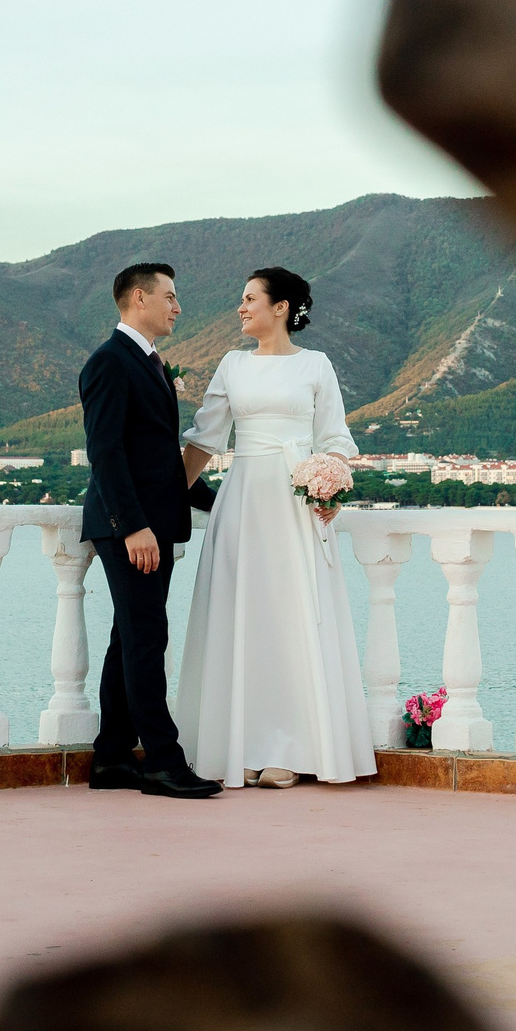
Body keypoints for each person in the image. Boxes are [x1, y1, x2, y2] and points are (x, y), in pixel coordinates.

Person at [174, 266, 377, 789]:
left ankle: (291, 748)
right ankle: (240, 744)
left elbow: (334, 439)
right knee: (241, 617)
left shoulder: (316, 365)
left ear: (281, 307)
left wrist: (331, 488)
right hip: (243, 501)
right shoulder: (232, 364)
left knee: (292, 619)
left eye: (250, 299)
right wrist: (164, 498)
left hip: (295, 504)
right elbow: (204, 439)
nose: (240, 308)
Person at [78, 262, 221, 800]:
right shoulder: (109, 361)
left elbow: (159, 459)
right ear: (140, 298)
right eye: (170, 296)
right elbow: (106, 451)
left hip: (153, 524)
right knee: (146, 640)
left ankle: (112, 758)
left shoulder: (150, 363)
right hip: (131, 530)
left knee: (130, 638)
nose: (178, 307)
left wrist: (222, 501)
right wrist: (132, 526)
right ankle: (163, 762)